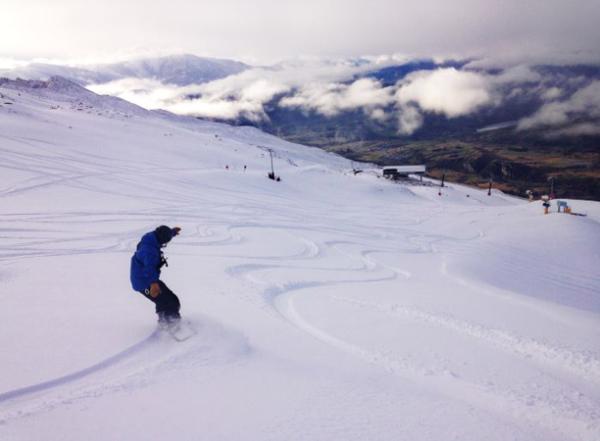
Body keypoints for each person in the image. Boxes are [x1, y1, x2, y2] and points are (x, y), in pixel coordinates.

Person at [130, 225, 182, 324]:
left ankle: (164, 322)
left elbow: (161, 234)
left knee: (170, 299)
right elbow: (149, 268)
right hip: (144, 281)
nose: (165, 244)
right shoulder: (150, 252)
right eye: (165, 242)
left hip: (145, 277)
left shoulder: (150, 238)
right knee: (170, 302)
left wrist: (171, 232)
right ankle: (172, 325)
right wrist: (153, 284)